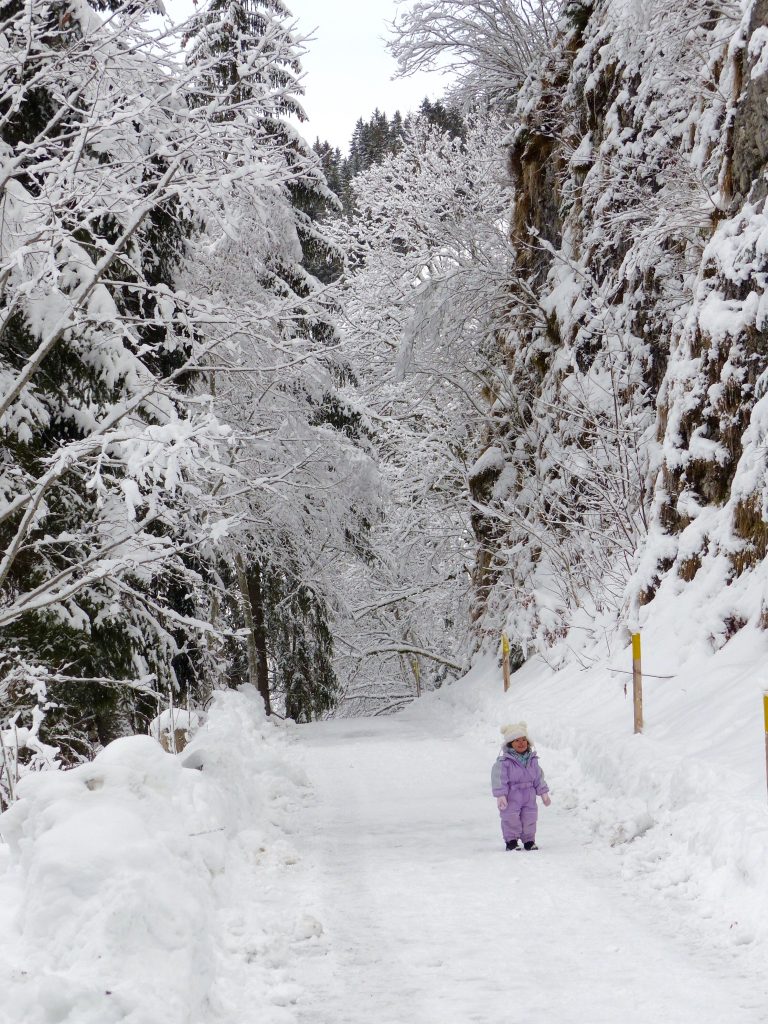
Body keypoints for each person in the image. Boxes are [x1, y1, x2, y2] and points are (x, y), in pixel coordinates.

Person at [491, 722, 551, 850]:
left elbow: (538, 777)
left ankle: (529, 840)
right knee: (510, 817)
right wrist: (501, 795)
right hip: (512, 795)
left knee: (530, 817)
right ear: (510, 744)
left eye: (524, 740)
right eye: (516, 740)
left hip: (529, 794)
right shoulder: (504, 762)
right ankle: (511, 841)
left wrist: (543, 793)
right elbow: (498, 778)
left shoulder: (532, 760)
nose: (521, 743)